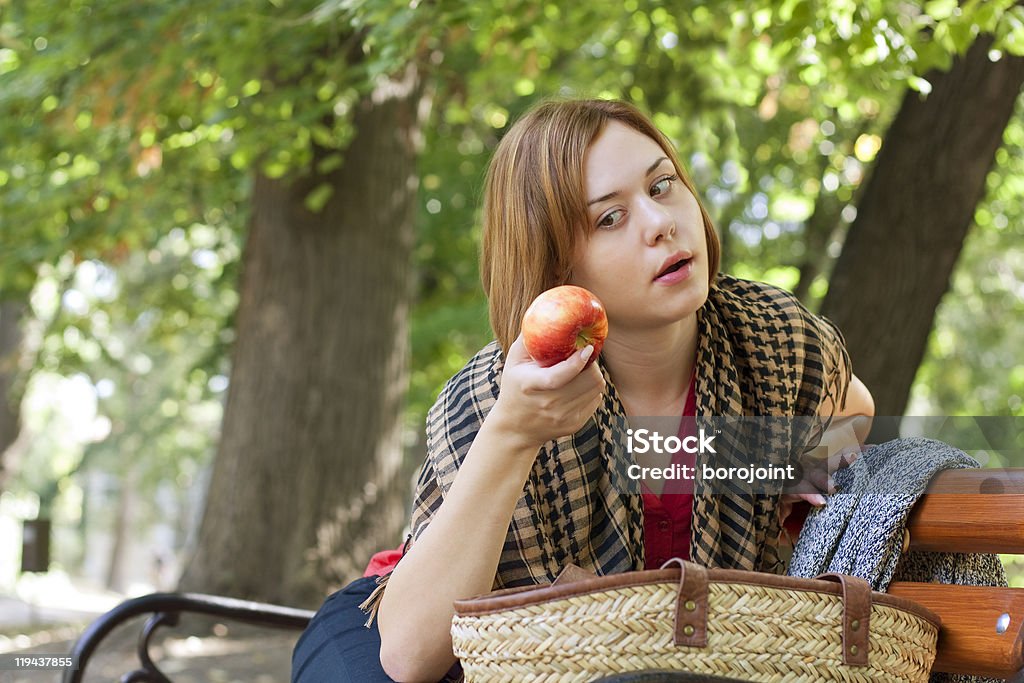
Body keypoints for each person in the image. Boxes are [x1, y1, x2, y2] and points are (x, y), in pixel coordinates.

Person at [292, 97, 875, 683]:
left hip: (640, 650)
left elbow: (854, 406)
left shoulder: (768, 335)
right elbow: (411, 657)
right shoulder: (494, 394)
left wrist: (795, 465)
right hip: (422, 626)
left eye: (663, 185)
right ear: (559, 269)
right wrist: (515, 433)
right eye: (610, 218)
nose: (660, 222)